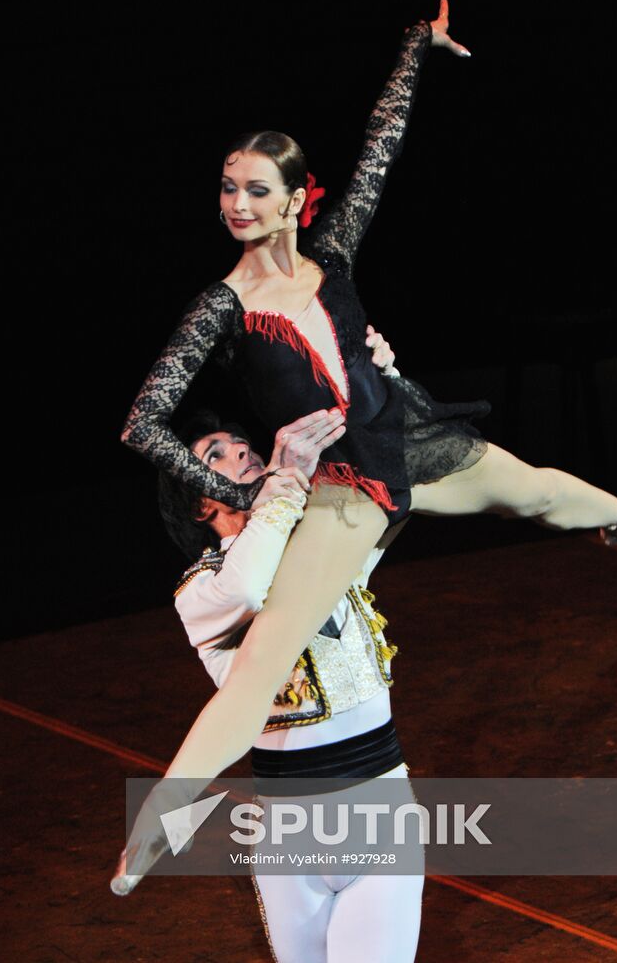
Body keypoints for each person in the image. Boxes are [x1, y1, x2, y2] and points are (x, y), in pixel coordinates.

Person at [119, 0, 617, 813]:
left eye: (254, 189)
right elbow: (143, 421)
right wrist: (252, 494)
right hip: (346, 484)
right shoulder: (220, 306)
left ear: (292, 200)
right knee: (266, 656)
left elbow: (380, 151)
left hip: (408, 436)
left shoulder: (333, 251)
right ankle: (162, 818)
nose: (236, 203)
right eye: (226, 188)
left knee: (543, 492)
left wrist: (414, 51)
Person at [145, 400, 423, 962]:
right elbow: (250, 587)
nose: (241, 452)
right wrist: (287, 484)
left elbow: (400, 486)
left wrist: (383, 385)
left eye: (241, 443)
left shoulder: (322, 550)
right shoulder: (204, 594)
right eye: (215, 455)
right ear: (200, 504)